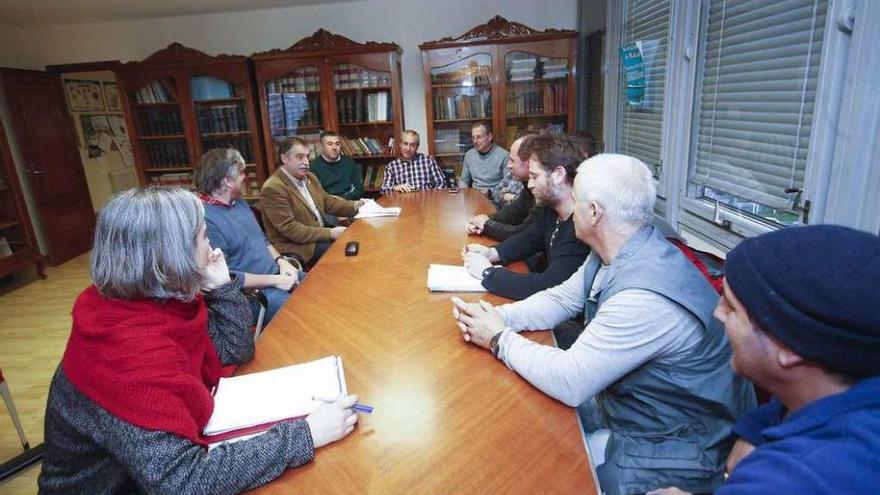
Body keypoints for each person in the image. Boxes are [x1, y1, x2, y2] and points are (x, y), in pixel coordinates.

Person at [451, 153, 755, 495]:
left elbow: (571, 379)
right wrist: (498, 317)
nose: (569, 207)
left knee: (545, 471)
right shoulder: (621, 250)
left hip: (677, 448)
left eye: (576, 199)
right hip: (636, 408)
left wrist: (498, 339)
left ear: (594, 213)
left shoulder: (644, 296)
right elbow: (562, 299)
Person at [38, 187, 359, 494]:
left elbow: (234, 350)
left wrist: (221, 286)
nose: (213, 250)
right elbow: (183, 481)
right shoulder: (126, 353)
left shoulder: (158, 302)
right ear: (170, 257)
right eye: (204, 238)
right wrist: (305, 435)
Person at [648, 225, 880, 495]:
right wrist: (753, 431)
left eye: (732, 307)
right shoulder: (837, 381)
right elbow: (780, 404)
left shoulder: (791, 480)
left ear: (790, 346)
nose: (717, 313)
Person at [461, 135, 590, 300]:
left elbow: (548, 286)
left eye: (535, 177)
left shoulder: (581, 226)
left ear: (559, 175)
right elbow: (527, 239)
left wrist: (488, 273)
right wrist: (492, 253)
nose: (529, 184)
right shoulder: (551, 210)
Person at [194, 148, 301, 325]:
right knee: (303, 315)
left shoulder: (240, 204)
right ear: (228, 181)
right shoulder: (206, 219)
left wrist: (282, 262)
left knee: (320, 285)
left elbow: (263, 241)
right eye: (241, 173)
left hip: (278, 275)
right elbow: (227, 276)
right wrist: (276, 281)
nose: (245, 177)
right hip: (254, 294)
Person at [261, 137, 366, 266]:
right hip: (297, 246)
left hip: (318, 236)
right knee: (345, 254)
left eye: (307, 156)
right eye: (300, 157)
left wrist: (356, 206)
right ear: (285, 159)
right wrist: (330, 233)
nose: (306, 162)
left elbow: (328, 202)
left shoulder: (309, 177)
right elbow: (290, 229)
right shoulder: (273, 188)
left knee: (361, 238)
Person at [466, 135, 537, 241]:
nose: (508, 165)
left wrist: (486, 225)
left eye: (512, 160)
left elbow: (524, 235)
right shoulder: (527, 188)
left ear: (529, 162)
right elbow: (510, 214)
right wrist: (481, 221)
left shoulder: (544, 194)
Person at [380, 129, 447, 194]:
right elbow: (384, 190)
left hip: (426, 202)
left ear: (417, 147)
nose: (408, 149)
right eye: (405, 144)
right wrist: (395, 187)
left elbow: (441, 184)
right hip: (403, 203)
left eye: (412, 145)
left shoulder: (428, 161)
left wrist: (431, 199)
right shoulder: (392, 166)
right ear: (400, 144)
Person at [310, 131, 364, 200]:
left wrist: (342, 199)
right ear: (322, 147)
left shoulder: (348, 162)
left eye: (337, 144)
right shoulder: (314, 167)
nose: (334, 147)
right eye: (330, 144)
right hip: (328, 206)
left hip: (349, 202)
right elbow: (316, 195)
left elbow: (359, 189)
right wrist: (335, 202)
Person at [460, 122, 509, 193]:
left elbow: (508, 184)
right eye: (473, 137)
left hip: (495, 197)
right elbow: (463, 180)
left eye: (479, 137)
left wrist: (490, 193)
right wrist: (464, 194)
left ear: (490, 137)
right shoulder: (469, 155)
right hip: (475, 197)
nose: (475, 141)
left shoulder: (504, 155)